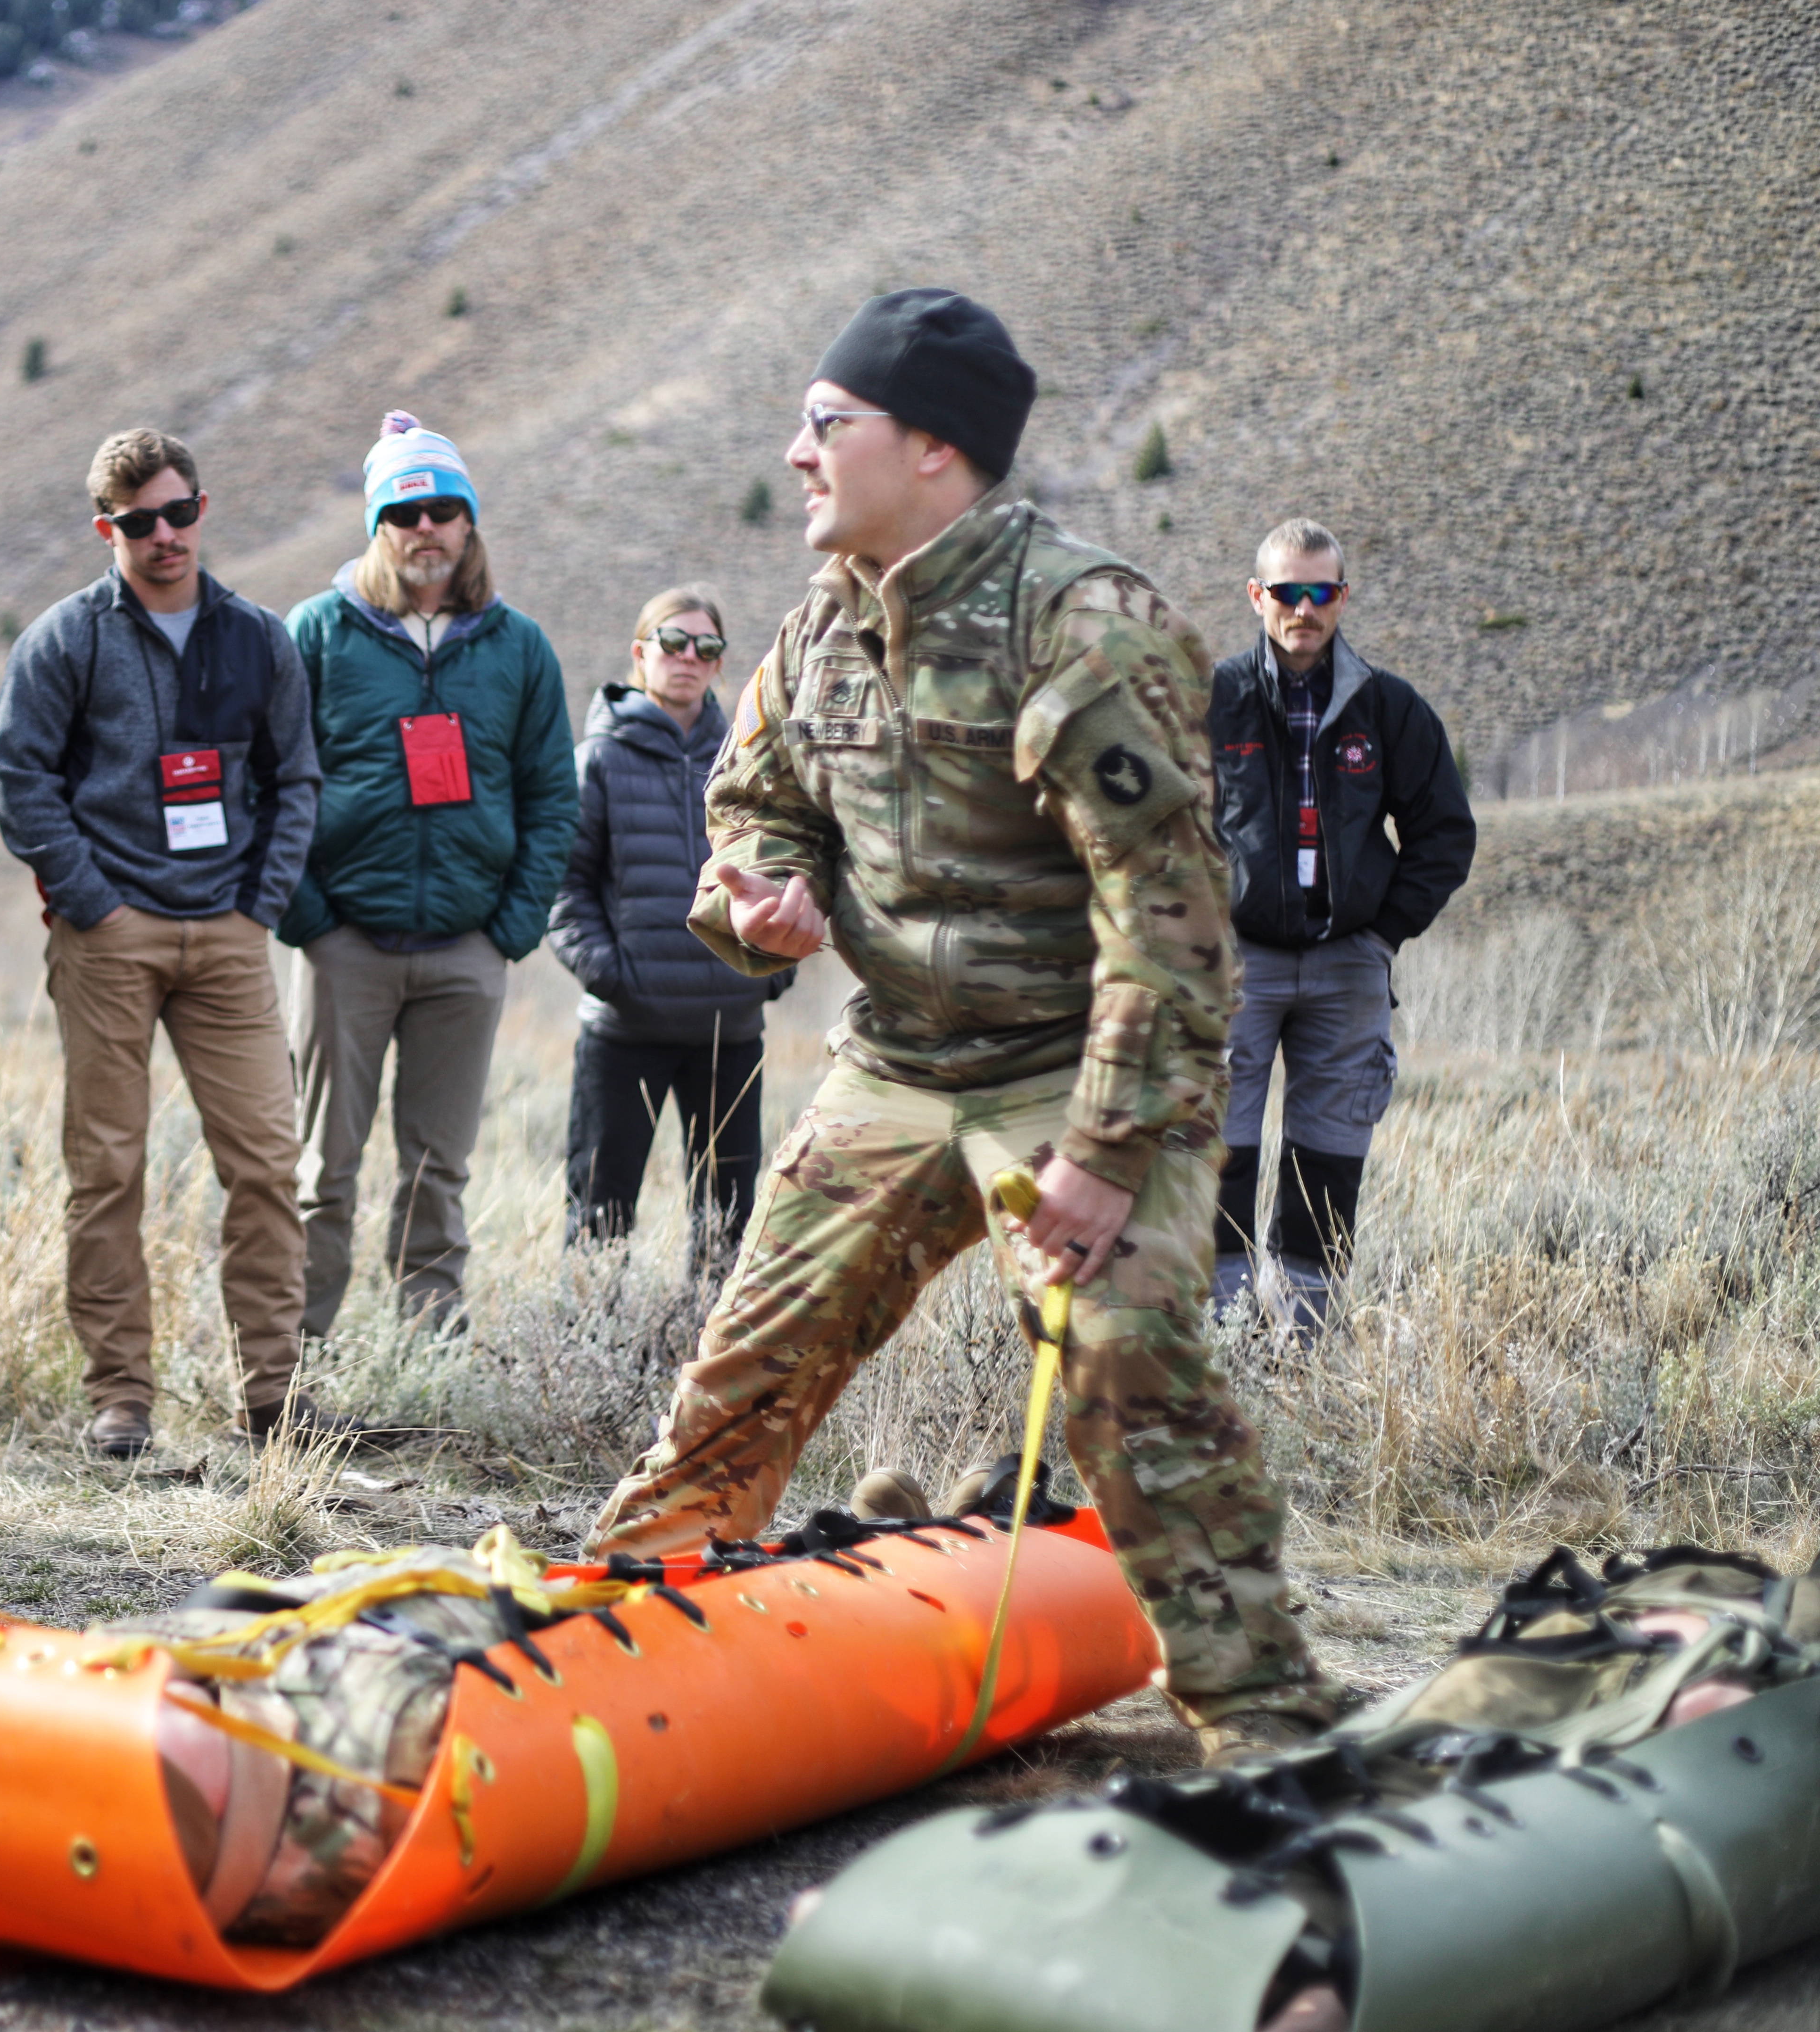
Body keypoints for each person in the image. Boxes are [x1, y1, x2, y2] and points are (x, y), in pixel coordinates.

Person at [585, 289, 1341, 1760]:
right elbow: (752, 813)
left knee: (1134, 1376)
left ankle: (1273, 1736)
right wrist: (769, 903)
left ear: (931, 449)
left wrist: (1110, 1155)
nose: (798, 456)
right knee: (749, 1363)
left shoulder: (1083, 624)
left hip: (1079, 1073)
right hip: (900, 1064)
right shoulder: (816, 634)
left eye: (827, 425)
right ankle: (620, 1637)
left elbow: (1171, 920)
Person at [0, 428, 323, 1458]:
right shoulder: (66, 638)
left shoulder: (257, 636)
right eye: (141, 522)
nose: (165, 535)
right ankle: (121, 1399)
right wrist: (95, 903)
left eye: (179, 513)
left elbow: (296, 778)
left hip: (226, 935)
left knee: (268, 1162)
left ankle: (273, 1396)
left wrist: (256, 905)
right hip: (111, 938)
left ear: (201, 510)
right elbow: (22, 782)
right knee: (108, 1169)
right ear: (109, 529)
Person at [280, 413, 578, 1342]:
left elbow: (551, 796)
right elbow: (271, 781)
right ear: (379, 523)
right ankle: (295, 1355)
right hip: (346, 950)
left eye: (444, 508)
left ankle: (431, 1358)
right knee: (320, 1167)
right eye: (405, 510)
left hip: (466, 950)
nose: (426, 527)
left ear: (469, 522)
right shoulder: (319, 633)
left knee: (438, 1169)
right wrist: (311, 920)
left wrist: (509, 929)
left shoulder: (518, 646)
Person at [1209, 521, 1475, 1331]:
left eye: (1320, 591)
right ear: (1257, 597)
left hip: (1347, 964)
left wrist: (1381, 936)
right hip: (1233, 967)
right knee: (1213, 1144)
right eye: (1287, 592)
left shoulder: (1387, 707)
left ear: (1342, 598)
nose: (1304, 608)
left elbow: (1444, 833)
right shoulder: (1211, 700)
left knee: (1328, 1159)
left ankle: (1302, 1345)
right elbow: (1150, 828)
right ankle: (1217, 1338)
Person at [549, 588, 788, 1280]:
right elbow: (562, 890)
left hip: (730, 1030)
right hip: (624, 1030)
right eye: (672, 642)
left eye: (706, 648)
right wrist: (613, 978)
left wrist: (771, 970)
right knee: (600, 1218)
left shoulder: (751, 762)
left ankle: (713, 1370)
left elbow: (793, 869)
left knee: (728, 1225)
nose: (689, 658)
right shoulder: (596, 759)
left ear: (719, 665)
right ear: (639, 654)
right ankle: (588, 1366)